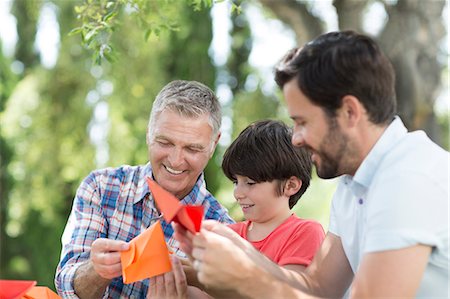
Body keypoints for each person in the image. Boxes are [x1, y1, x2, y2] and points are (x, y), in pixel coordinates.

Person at [174, 31, 449, 298]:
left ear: (350, 112)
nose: (296, 138)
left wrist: (244, 280)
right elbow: (318, 287)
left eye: (302, 122)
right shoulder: (352, 185)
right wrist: (241, 251)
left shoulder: (408, 179)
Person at [55, 80, 234, 298]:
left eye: (192, 148)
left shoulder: (222, 231)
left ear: (214, 143)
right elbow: (66, 286)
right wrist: (98, 271)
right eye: (165, 142)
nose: (176, 161)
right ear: (149, 133)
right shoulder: (101, 188)